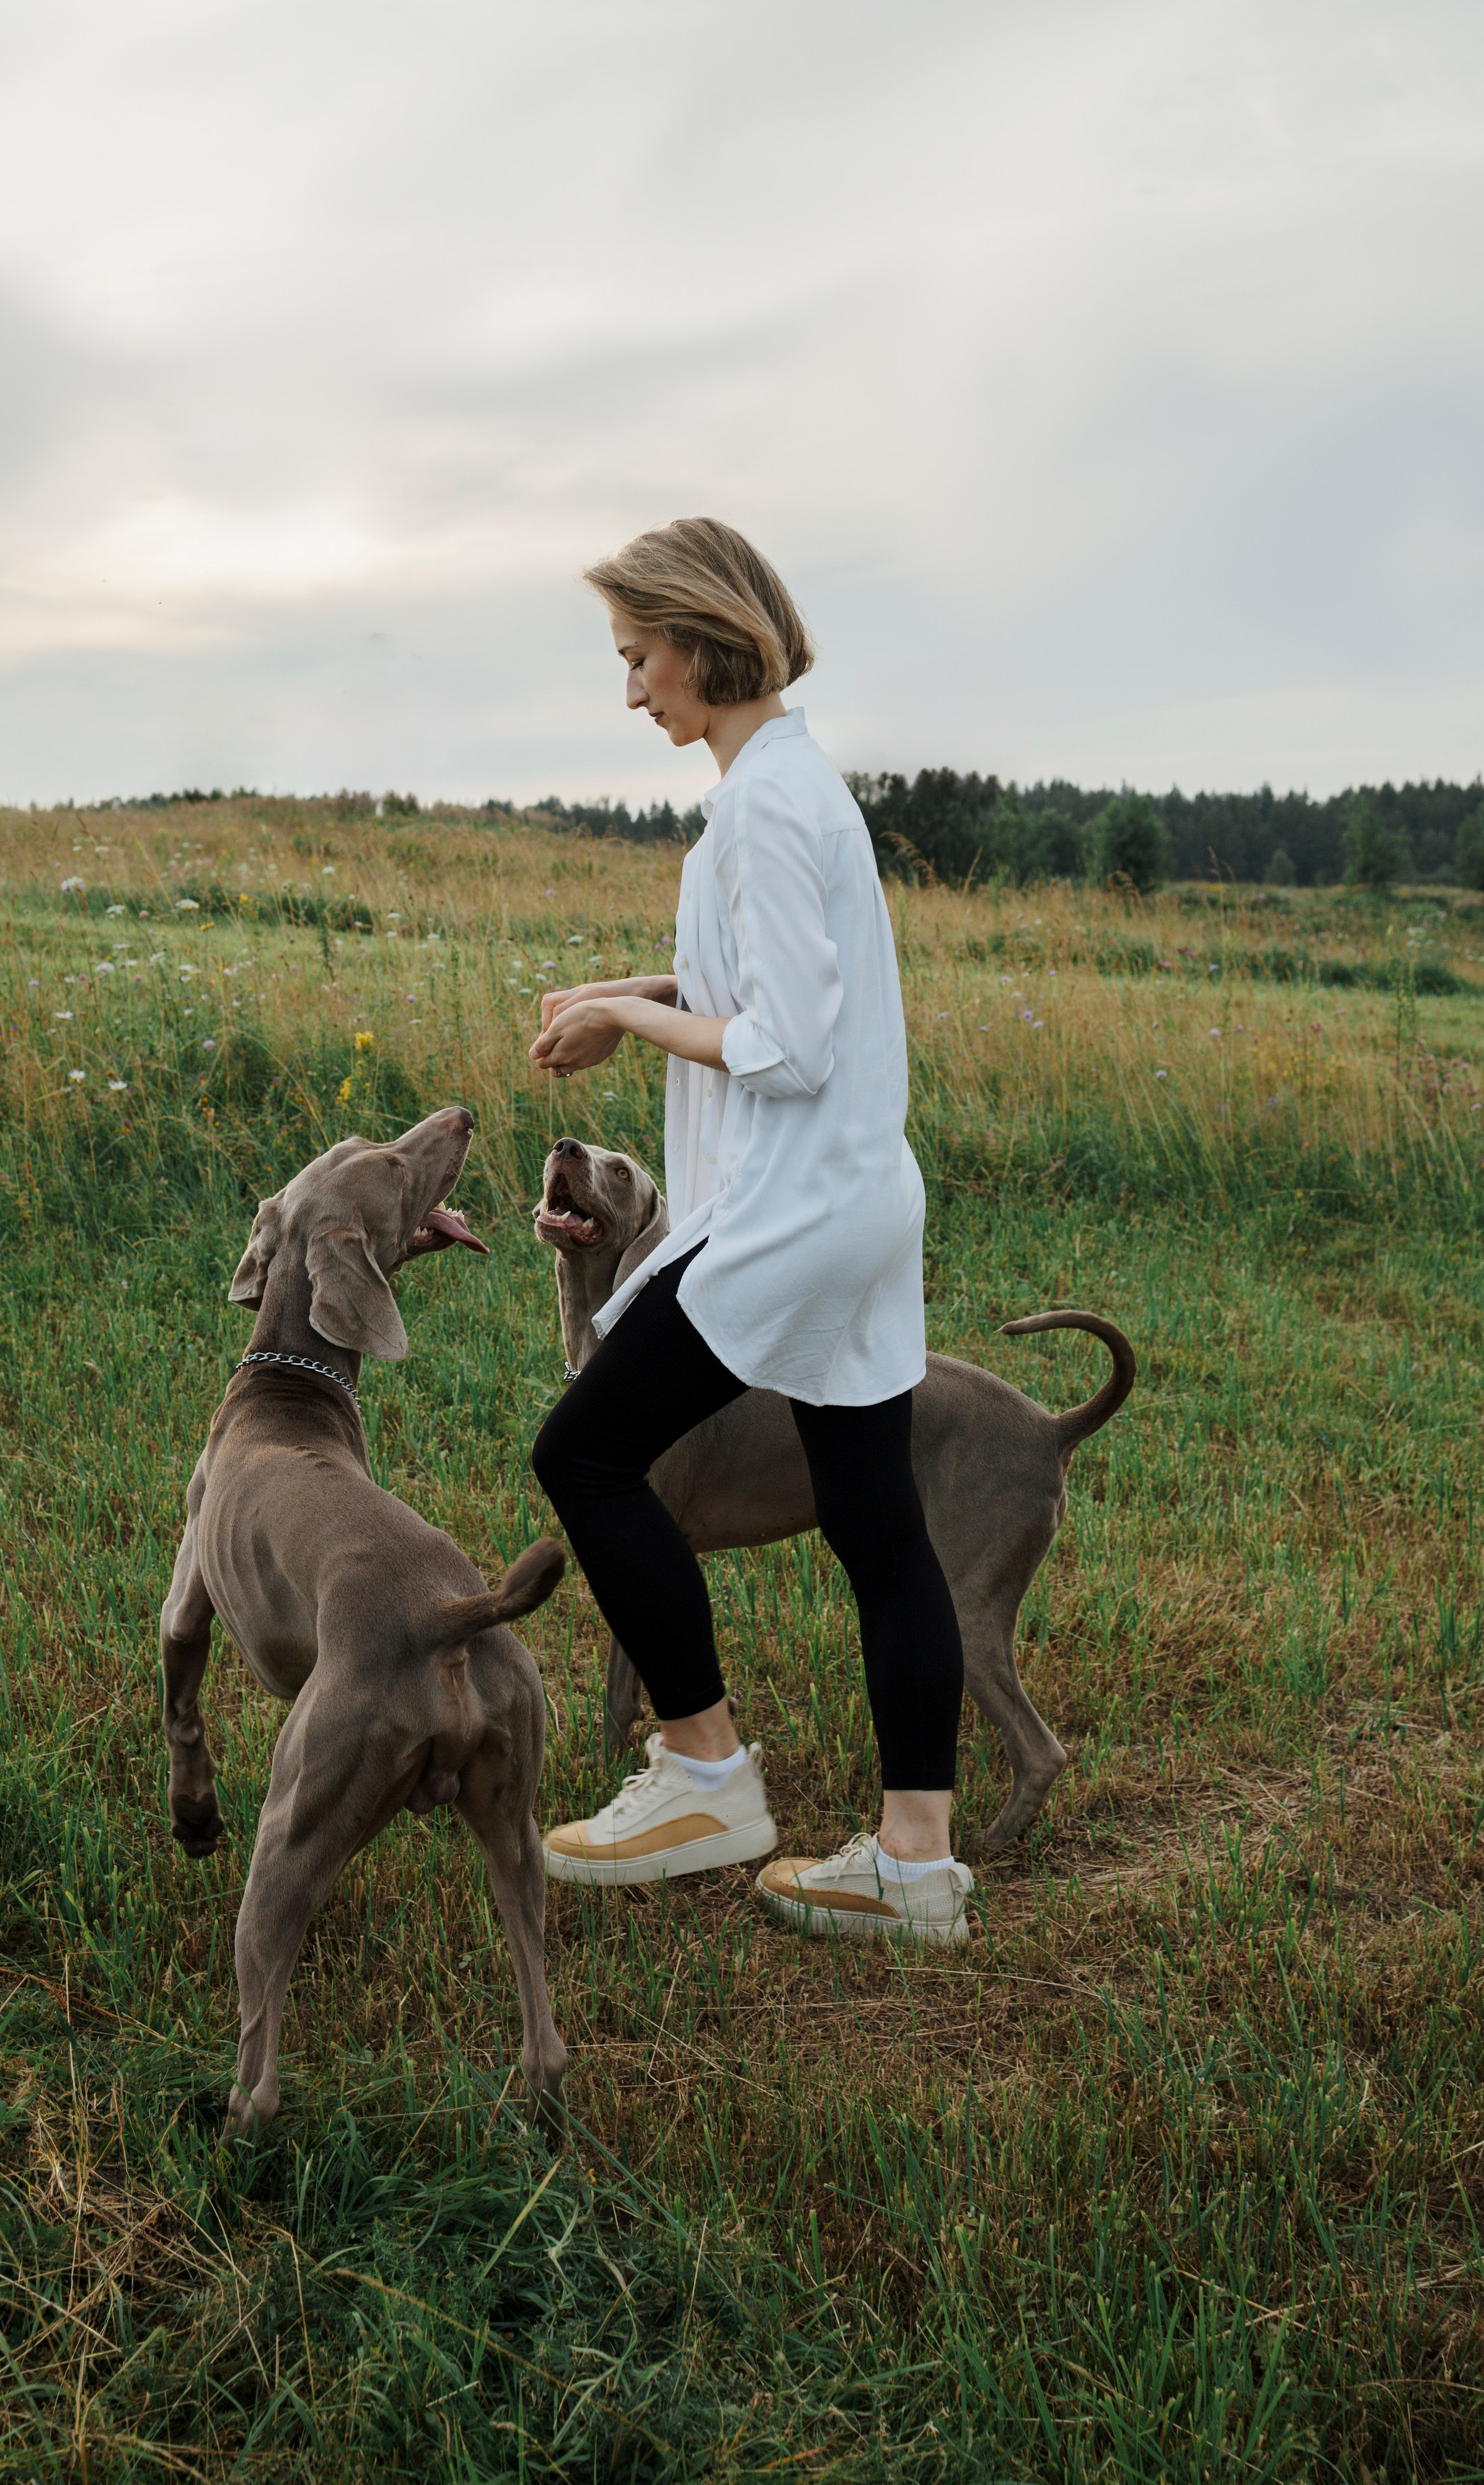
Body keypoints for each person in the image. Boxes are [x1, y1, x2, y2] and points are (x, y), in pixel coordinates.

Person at [527, 518, 973, 1943]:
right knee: (875, 1529)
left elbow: (782, 1046)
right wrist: (633, 992)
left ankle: (704, 1770)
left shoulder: (764, 807)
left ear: (705, 639)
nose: (630, 689)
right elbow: (779, 983)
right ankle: (914, 1874)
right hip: (855, 1203)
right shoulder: (785, 787)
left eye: (636, 656)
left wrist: (632, 1017)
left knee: (582, 1452)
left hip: (790, 1211)